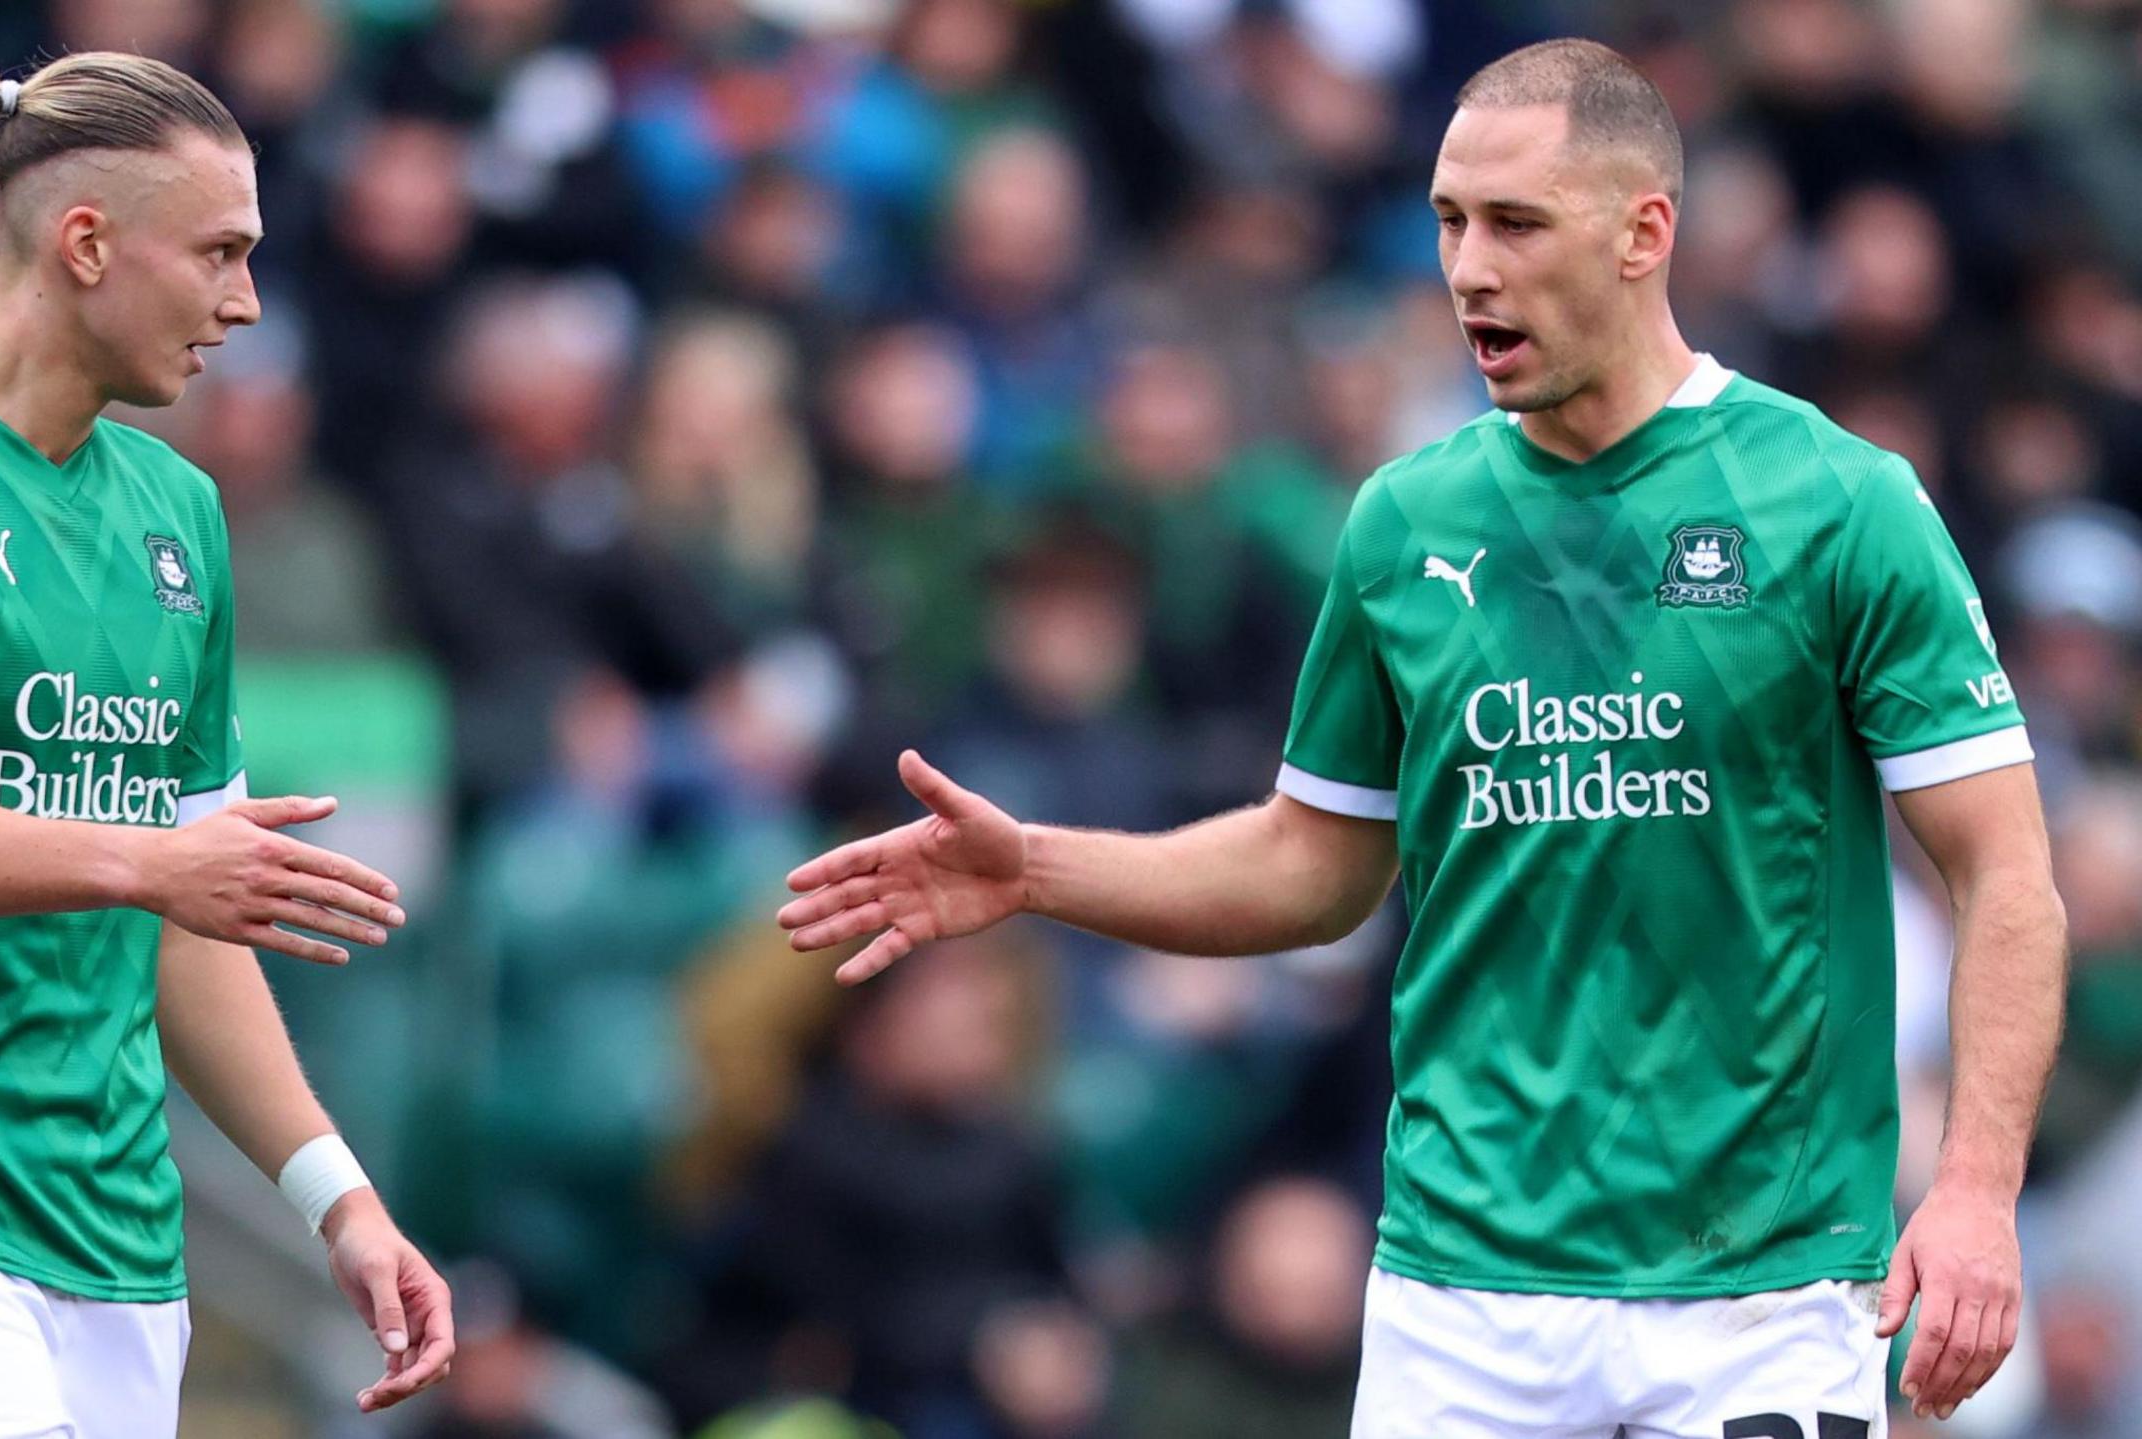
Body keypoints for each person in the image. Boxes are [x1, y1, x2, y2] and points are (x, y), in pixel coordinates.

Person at [779, 37, 2066, 1437]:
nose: (1468, 268)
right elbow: (1311, 869)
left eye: (1515, 223)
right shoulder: (1403, 524)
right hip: (1463, 1306)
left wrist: (1976, 1188)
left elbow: (2005, 871)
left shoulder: (1838, 503)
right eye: (1450, 219)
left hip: (1761, 1293)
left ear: (1647, 234)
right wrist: (1033, 870)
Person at [0, 55, 453, 1436]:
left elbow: (191, 919)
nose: (244, 305)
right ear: (88, 243)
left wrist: (337, 1200)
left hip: (112, 1220)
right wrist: (149, 866)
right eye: (222, 255)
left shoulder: (180, 512)